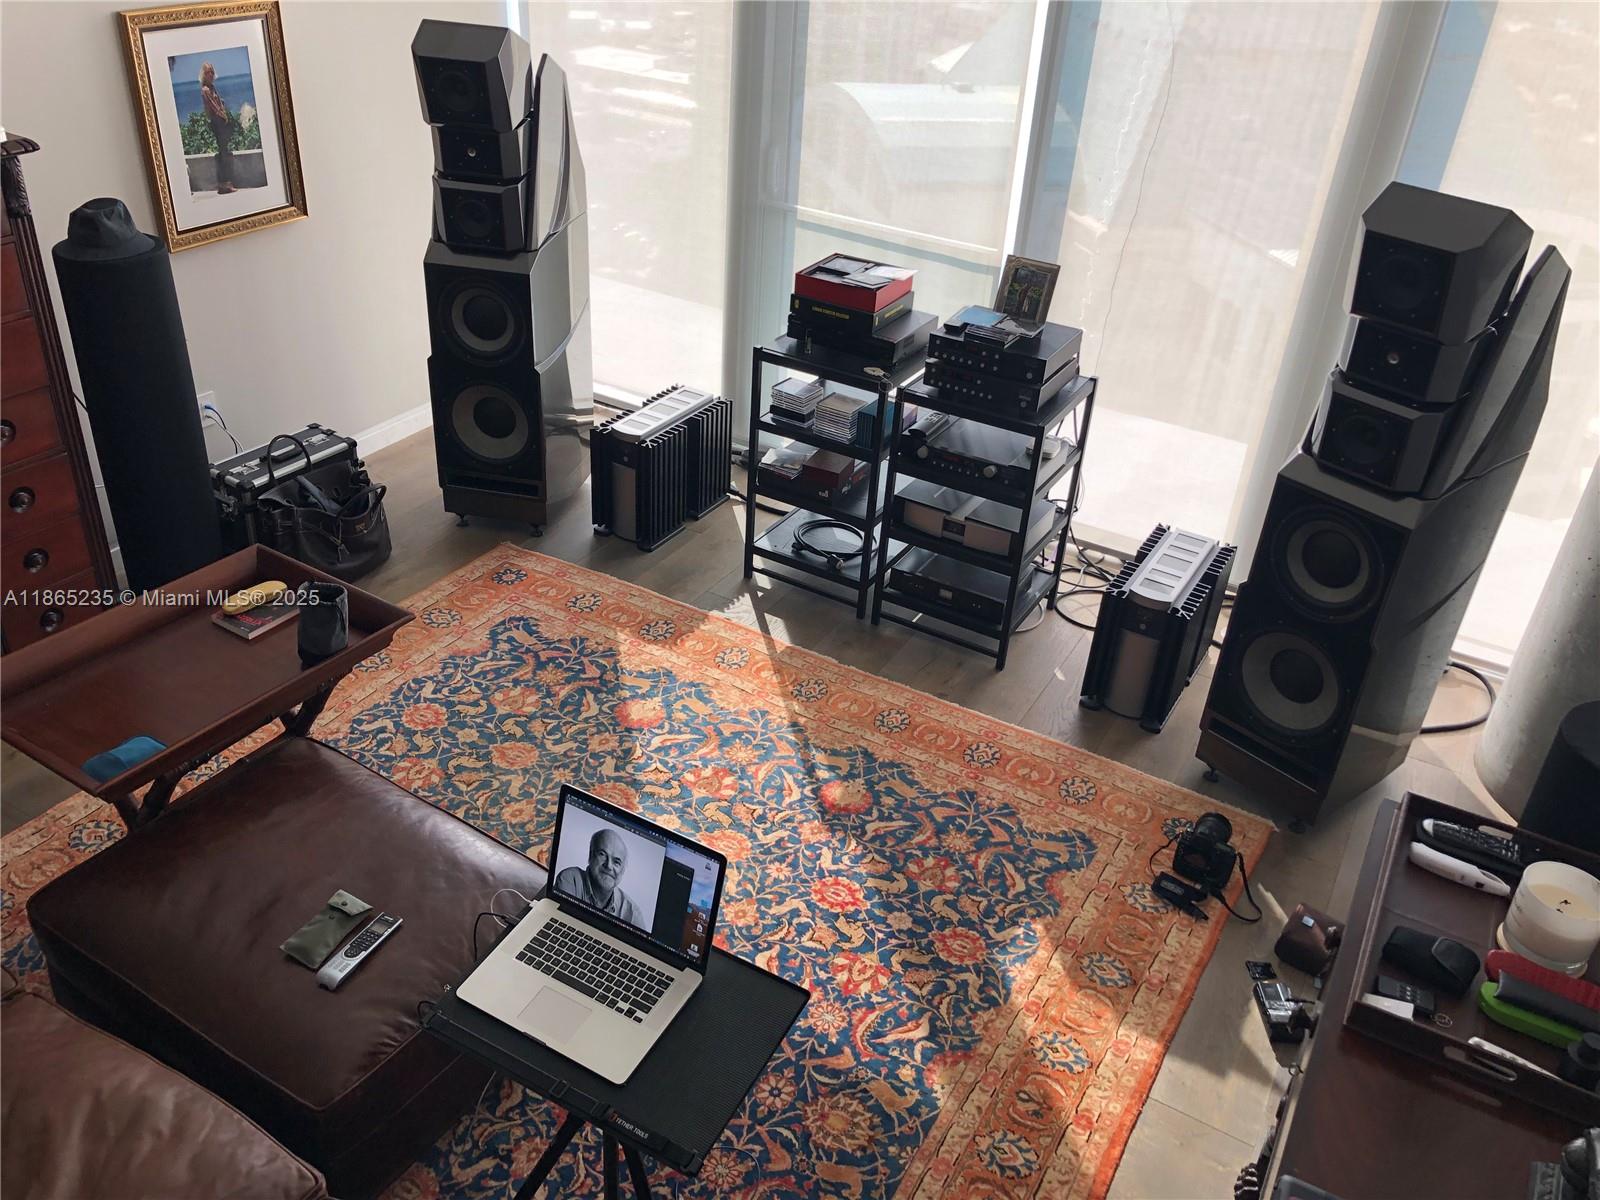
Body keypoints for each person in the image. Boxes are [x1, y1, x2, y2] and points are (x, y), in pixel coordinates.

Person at [554, 829, 642, 925]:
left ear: (623, 870)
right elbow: (563, 923)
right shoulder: (570, 880)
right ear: (590, 856)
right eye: (602, 854)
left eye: (616, 862)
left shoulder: (633, 913)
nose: (608, 866)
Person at [200, 62, 235, 195]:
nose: (211, 75)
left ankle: (226, 183)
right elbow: (214, 107)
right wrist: (224, 116)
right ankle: (223, 184)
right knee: (223, 152)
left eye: (212, 72)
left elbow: (219, 103)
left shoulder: (212, 87)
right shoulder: (205, 90)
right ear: (204, 74)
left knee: (224, 151)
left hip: (220, 121)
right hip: (216, 122)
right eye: (208, 72)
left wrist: (223, 108)